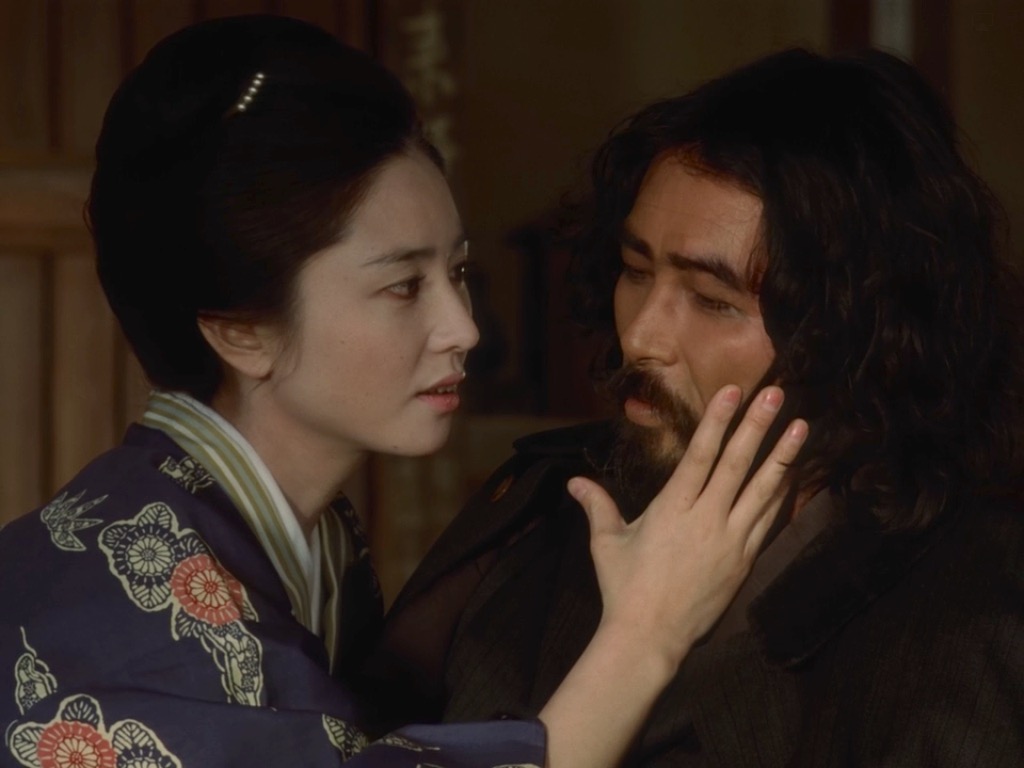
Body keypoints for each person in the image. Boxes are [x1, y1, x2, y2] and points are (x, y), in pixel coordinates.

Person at [0, 15, 808, 768]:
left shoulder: (306, 541)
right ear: (241, 331)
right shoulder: (129, 614)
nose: (464, 328)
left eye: (456, 271)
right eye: (402, 287)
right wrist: (647, 631)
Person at [367, 48, 1024, 766]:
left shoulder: (977, 609)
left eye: (713, 301)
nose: (642, 337)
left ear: (858, 332)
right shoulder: (538, 512)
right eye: (634, 271)